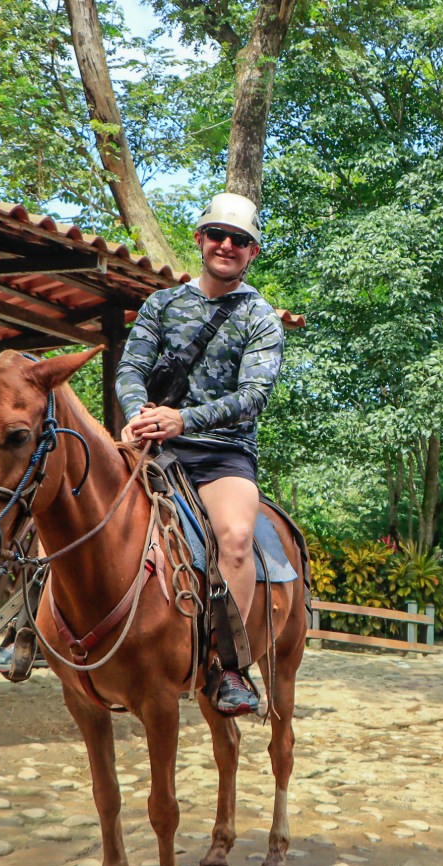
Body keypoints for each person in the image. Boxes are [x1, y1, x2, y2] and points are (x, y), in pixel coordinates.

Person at [114, 191, 286, 717]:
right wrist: (138, 412)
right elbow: (130, 369)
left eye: (240, 240)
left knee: (234, 537)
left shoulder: (261, 317)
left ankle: (226, 664)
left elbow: (253, 396)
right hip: (152, 441)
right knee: (71, 489)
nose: (227, 245)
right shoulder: (161, 304)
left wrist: (183, 419)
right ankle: (28, 626)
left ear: (253, 251)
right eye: (218, 235)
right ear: (200, 239)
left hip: (221, 455)